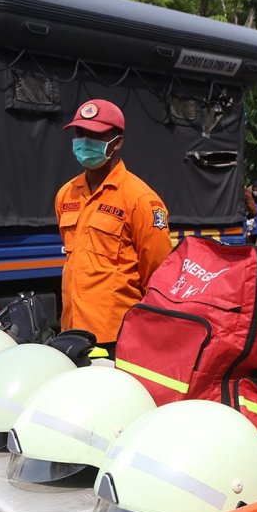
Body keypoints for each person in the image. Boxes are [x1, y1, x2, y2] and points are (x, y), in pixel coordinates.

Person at [54, 98, 172, 356]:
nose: (84, 141)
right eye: (80, 133)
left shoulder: (140, 200)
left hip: (115, 334)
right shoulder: (66, 195)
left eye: (94, 135)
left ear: (117, 143)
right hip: (71, 328)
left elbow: (158, 272)